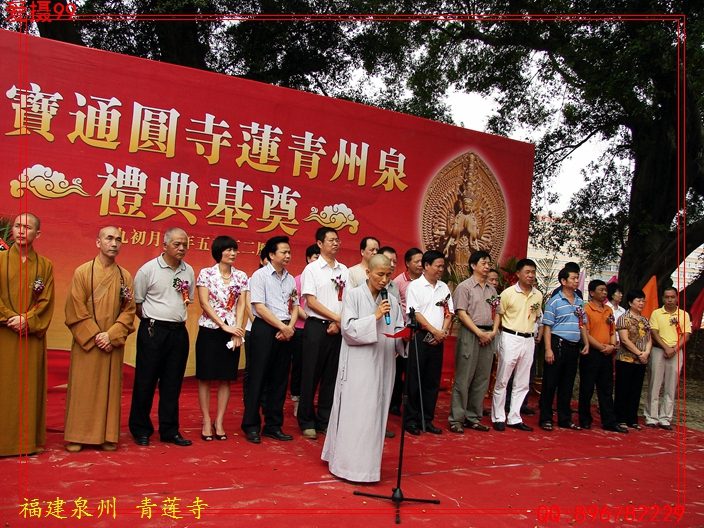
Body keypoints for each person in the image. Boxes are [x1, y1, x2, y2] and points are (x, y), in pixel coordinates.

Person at [321, 254, 405, 482]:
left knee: (376, 414)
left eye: (388, 275)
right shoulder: (354, 295)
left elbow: (398, 329)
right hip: (359, 364)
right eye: (380, 274)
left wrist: (405, 338)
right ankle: (347, 466)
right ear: (368, 272)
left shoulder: (393, 301)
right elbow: (347, 330)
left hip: (384, 362)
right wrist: (374, 316)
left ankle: (369, 468)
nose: (385, 279)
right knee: (357, 414)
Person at [64, 227, 137, 453]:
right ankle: (77, 434)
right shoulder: (83, 272)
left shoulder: (125, 276)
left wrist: (111, 335)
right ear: (98, 242)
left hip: (110, 342)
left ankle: (107, 435)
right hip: (88, 341)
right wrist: (96, 335)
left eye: (118, 239)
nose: (114, 243)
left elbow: (129, 310)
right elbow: (75, 307)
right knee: (83, 387)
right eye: (109, 238)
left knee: (109, 387)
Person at [128, 228, 195, 447]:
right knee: (145, 381)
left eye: (185, 244)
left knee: (172, 384)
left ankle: (169, 430)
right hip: (153, 331)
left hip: (178, 332)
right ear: (164, 245)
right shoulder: (148, 270)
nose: (182, 248)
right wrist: (152, 322)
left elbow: (188, 299)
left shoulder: (189, 271)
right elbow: (138, 304)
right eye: (177, 244)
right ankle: (140, 429)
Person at [0, 213, 54, 457]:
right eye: (18, 226)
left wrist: (27, 319)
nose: (22, 230)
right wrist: (9, 317)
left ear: (37, 234)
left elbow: (46, 301)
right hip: (4, 333)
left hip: (29, 334)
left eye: (28, 227)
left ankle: (26, 443)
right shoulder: (0, 260)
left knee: (27, 387)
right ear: (12, 230)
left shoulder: (45, 265)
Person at [242, 236, 298, 443]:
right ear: (271, 255)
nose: (288, 256)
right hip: (265, 329)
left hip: (286, 330)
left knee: (280, 379)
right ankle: (251, 425)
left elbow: (294, 306)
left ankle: (273, 425)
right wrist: (283, 327)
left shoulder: (290, 279)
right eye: (283, 252)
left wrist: (290, 327)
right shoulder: (259, 276)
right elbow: (260, 307)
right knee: (258, 377)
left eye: (289, 252)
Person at [195, 235, 248, 442]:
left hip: (232, 331)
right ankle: (206, 420)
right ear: (219, 252)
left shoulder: (241, 276)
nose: (233, 253)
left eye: (235, 250)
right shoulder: (206, 274)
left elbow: (242, 305)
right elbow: (204, 303)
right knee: (206, 377)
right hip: (210, 329)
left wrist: (238, 332)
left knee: (226, 377)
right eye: (228, 250)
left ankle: (219, 421)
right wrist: (223, 325)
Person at [298, 227, 349, 440]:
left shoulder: (343, 270)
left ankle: (325, 420)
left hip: (337, 329)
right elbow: (311, 301)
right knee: (310, 374)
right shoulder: (312, 269)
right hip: (316, 327)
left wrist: (339, 322)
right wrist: (336, 318)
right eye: (331, 240)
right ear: (319, 244)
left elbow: (348, 300)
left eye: (337, 240)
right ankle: (306, 420)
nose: (335, 244)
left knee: (331, 376)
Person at [448, 250, 501, 433]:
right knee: (464, 378)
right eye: (483, 263)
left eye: (488, 263)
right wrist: (479, 333)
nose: (487, 266)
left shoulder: (492, 289)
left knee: (482, 378)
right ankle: (456, 418)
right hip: (471, 333)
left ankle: (473, 417)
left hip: (488, 335)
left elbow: (498, 312)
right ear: (473, 265)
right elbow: (461, 314)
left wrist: (493, 332)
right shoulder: (465, 287)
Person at [404, 250, 453, 435]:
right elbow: (415, 313)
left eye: (442, 266)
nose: (441, 269)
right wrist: (433, 331)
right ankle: (411, 420)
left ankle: (427, 419)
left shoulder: (444, 288)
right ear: (426, 266)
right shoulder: (415, 287)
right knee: (414, 381)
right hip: (420, 338)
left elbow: (449, 312)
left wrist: (443, 331)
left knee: (432, 382)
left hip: (438, 340)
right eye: (438, 266)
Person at [491, 258, 542, 432]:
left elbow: (537, 316)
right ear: (518, 274)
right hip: (510, 336)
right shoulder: (508, 293)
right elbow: (499, 314)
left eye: (533, 272)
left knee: (522, 381)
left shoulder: (538, 295)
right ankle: (498, 416)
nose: (531, 275)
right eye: (527, 272)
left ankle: (514, 416)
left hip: (528, 339)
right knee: (503, 379)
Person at [539, 267, 588, 431]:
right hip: (557, 344)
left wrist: (586, 343)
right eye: (573, 278)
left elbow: (582, 325)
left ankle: (565, 418)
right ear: (563, 281)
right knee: (550, 383)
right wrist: (548, 349)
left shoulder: (580, 301)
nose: (576, 281)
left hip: (573, 347)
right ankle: (546, 418)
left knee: (567, 384)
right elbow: (547, 326)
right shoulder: (554, 301)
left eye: (577, 278)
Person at [579, 280, 627, 433]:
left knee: (606, 388)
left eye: (606, 290)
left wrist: (612, 346)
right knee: (587, 387)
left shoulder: (608, 310)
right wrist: (601, 347)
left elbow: (613, 331)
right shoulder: (586, 309)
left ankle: (609, 421)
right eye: (601, 290)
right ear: (592, 293)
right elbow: (586, 332)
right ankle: (585, 419)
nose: (605, 293)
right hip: (592, 352)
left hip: (607, 353)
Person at [646, 287, 691, 430]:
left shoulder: (683, 314)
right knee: (654, 384)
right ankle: (651, 417)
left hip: (676, 351)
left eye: (672, 297)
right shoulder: (657, 313)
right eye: (667, 297)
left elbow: (686, 334)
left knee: (671, 386)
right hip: (659, 350)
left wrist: (674, 349)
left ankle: (665, 418)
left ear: (677, 298)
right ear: (663, 298)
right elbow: (654, 332)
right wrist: (666, 348)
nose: (670, 300)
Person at [389, 247, 423, 417]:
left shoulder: (425, 282)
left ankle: (411, 405)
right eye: (416, 261)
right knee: (398, 371)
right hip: (402, 332)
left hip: (420, 332)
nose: (420, 264)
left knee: (413, 371)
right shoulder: (398, 282)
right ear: (407, 263)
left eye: (421, 261)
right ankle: (394, 403)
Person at [615, 289, 652, 430]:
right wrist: (638, 353)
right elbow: (624, 340)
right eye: (638, 300)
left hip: (641, 360)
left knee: (636, 390)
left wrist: (646, 353)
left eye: (643, 300)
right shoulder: (624, 318)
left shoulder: (644, 319)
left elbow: (649, 339)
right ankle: (620, 418)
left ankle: (632, 418)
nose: (641, 303)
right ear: (630, 302)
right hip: (626, 359)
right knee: (623, 388)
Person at [290, 244, 320, 417]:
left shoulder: (323, 279)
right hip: (301, 329)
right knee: (300, 366)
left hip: (318, 330)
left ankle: (309, 401)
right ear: (308, 259)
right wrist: (310, 319)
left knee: (314, 367)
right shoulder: (298, 280)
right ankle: (297, 401)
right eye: (316, 257)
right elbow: (294, 305)